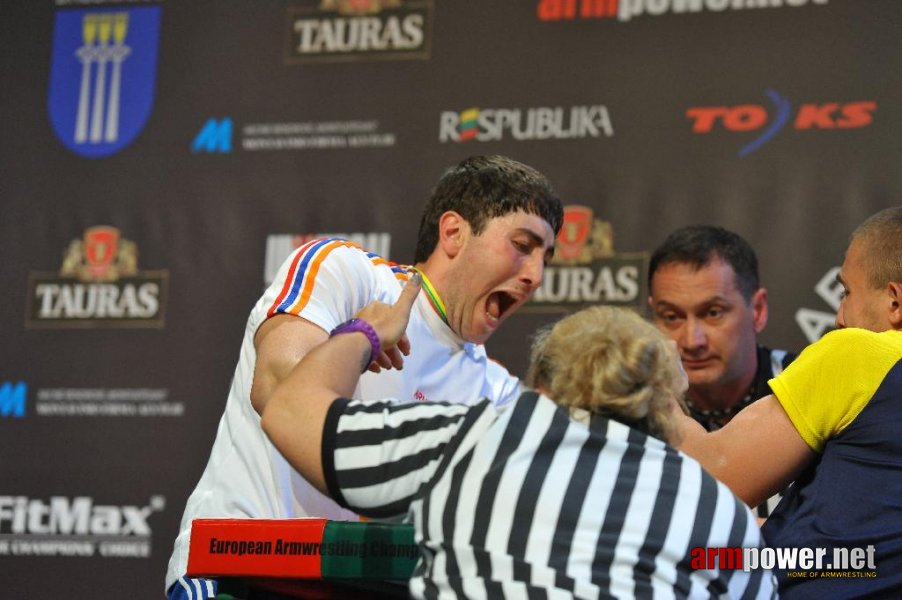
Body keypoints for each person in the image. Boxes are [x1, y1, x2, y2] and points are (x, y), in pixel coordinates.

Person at [165, 155, 564, 599]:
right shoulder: (347, 272)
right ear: (453, 233)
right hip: (235, 569)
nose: (535, 276)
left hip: (356, 585)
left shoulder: (495, 390)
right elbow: (277, 393)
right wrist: (361, 338)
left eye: (545, 258)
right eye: (522, 245)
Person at [261, 277, 777, 599]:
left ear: (542, 389)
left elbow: (289, 411)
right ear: (667, 407)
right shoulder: (716, 509)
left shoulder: (467, 440)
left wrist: (365, 332)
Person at [675, 206, 902, 597]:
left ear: (895, 300)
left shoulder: (862, 354)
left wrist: (651, 380)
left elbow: (712, 479)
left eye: (847, 291)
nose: (839, 319)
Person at [648, 225, 797, 518]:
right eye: (671, 317)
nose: (692, 340)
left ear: (758, 310)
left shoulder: (813, 392)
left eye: (713, 313)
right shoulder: (630, 409)